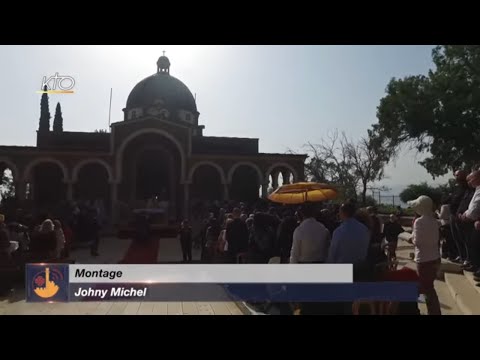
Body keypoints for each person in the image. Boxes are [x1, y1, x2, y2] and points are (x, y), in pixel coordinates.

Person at [407, 195, 441, 315]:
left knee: (426, 289)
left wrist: (411, 239)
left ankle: (433, 311)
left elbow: (418, 242)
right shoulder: (435, 221)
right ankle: (434, 311)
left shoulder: (419, 222)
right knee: (429, 287)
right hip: (434, 258)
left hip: (423, 259)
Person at [450, 170, 474, 266]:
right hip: (455, 216)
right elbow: (450, 199)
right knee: (457, 239)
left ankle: (469, 260)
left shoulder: (469, 189)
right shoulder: (458, 188)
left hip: (464, 218)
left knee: (466, 240)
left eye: (459, 176)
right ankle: (462, 257)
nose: (457, 178)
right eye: (456, 176)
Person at [459, 170, 480, 279]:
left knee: (476, 246)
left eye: (471, 179)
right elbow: (471, 207)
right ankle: (476, 267)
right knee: (472, 245)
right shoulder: (477, 190)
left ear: (477, 178)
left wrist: (467, 216)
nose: (469, 182)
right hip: (472, 221)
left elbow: (476, 208)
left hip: (475, 222)